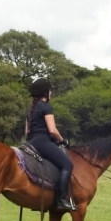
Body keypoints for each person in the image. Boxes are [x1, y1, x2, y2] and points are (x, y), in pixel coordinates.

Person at [25, 77, 76, 211]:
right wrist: (63, 140)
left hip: (30, 142)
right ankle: (60, 200)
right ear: (45, 92)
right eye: (50, 90)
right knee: (67, 164)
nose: (51, 93)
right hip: (42, 142)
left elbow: (27, 131)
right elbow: (52, 130)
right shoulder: (46, 106)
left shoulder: (31, 108)